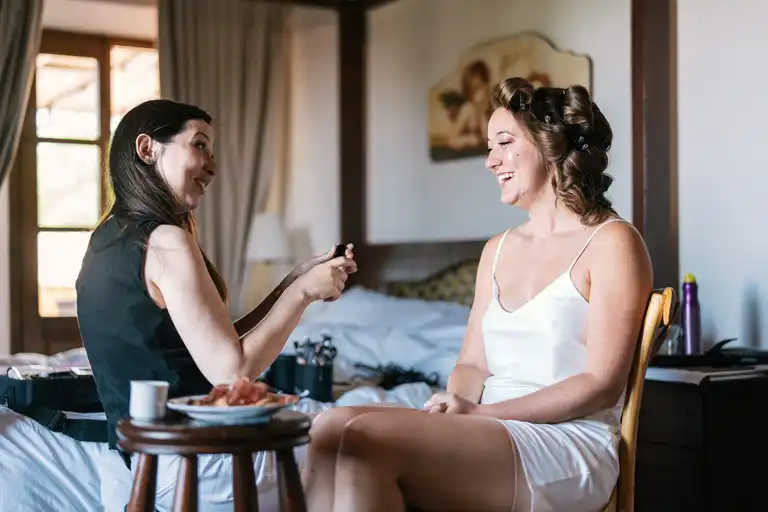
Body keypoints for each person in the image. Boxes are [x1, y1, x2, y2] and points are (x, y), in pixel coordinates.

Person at [301, 77, 653, 512]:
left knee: (364, 439)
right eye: (489, 147)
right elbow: (471, 363)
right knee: (329, 426)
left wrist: (481, 415)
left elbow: (600, 385)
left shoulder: (613, 242)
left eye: (503, 143)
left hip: (567, 439)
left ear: (550, 143)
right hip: (489, 428)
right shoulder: (497, 249)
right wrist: (460, 404)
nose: (490, 162)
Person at [75, 99, 356, 510]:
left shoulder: (105, 242)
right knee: (355, 438)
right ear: (147, 149)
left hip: (139, 464)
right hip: (197, 461)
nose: (212, 164)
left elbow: (210, 340)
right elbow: (232, 371)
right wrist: (304, 294)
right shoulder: (167, 240)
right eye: (200, 145)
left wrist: (289, 283)